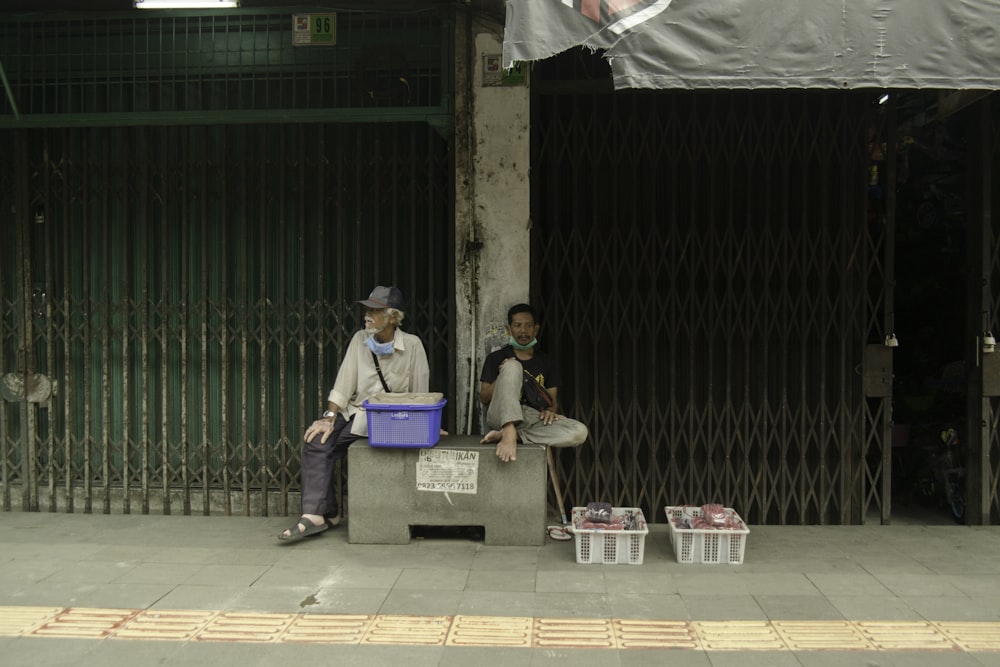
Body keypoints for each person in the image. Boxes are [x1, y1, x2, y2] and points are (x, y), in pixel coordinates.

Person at [279, 285, 429, 541]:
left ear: (392, 316)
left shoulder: (413, 345)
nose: (367, 315)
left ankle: (324, 513)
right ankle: (320, 514)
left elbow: (420, 393)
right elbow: (344, 381)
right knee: (317, 440)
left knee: (330, 446)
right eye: (367, 310)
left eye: (375, 310)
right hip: (356, 412)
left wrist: (426, 424)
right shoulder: (360, 339)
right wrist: (328, 417)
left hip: (390, 419)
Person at [479, 303, 588, 462]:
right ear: (509, 329)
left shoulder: (547, 362)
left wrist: (550, 411)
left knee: (579, 432)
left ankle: (515, 436)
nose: (523, 331)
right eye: (517, 326)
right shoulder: (495, 358)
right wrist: (504, 374)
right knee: (513, 366)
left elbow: (552, 402)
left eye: (528, 326)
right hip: (500, 414)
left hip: (532, 418)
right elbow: (484, 398)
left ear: (535, 329)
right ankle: (508, 429)